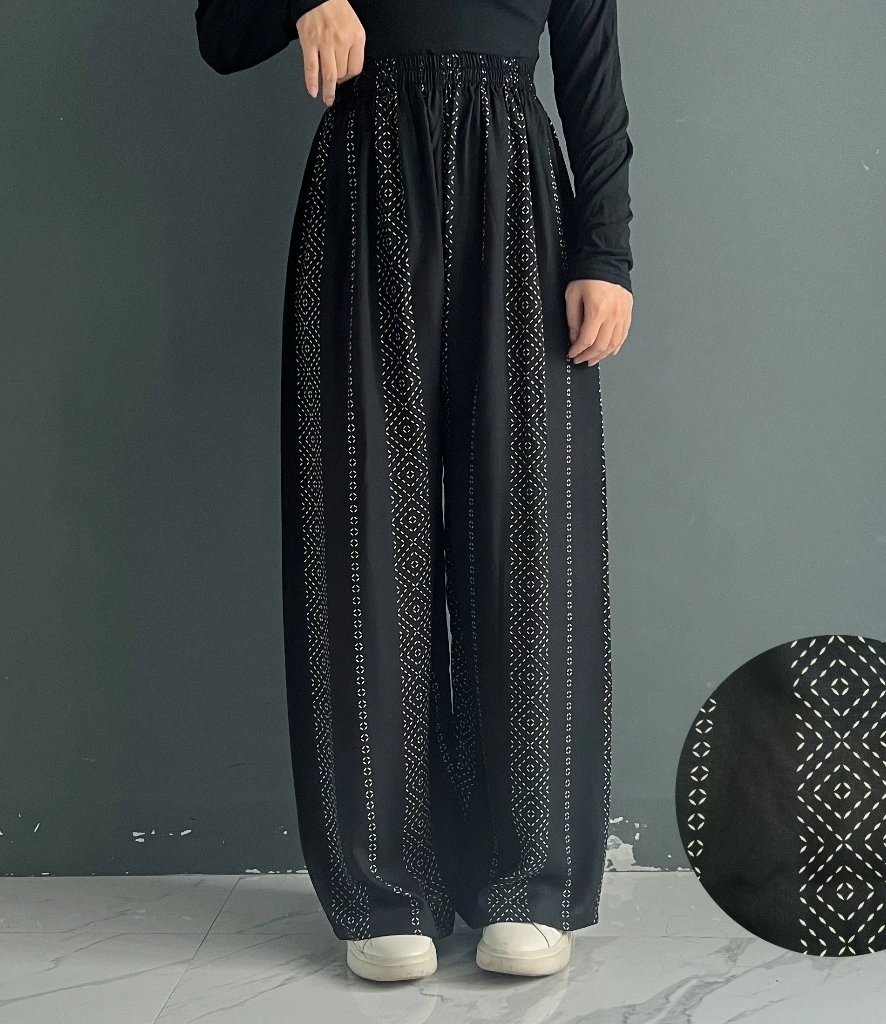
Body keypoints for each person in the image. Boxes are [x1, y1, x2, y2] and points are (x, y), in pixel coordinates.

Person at [196, 0, 634, 983]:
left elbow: (593, 78)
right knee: (359, 532)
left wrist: (605, 252)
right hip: (363, 183)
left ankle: (531, 883)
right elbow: (221, 33)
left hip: (518, 193)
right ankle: (385, 890)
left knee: (530, 537)